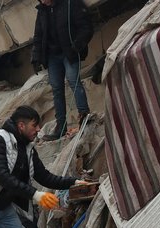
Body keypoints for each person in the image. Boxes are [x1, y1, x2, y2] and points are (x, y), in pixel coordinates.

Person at [31, 0, 93, 140]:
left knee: (73, 81)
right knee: (56, 88)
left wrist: (77, 46)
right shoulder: (42, 11)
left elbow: (86, 27)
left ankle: (85, 117)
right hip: (53, 56)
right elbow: (38, 37)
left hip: (70, 52)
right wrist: (35, 58)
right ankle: (61, 127)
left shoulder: (70, 3)